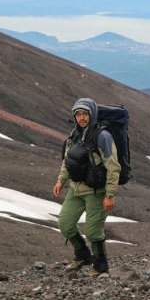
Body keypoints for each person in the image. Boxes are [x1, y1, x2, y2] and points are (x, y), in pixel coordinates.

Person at [53, 97, 121, 277]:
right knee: (65, 224)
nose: (82, 118)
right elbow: (68, 161)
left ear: (92, 114)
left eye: (85, 114)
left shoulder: (102, 136)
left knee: (92, 231)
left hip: (96, 192)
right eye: (78, 114)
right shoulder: (74, 134)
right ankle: (83, 255)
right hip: (76, 189)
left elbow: (113, 166)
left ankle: (100, 265)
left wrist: (110, 194)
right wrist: (61, 181)